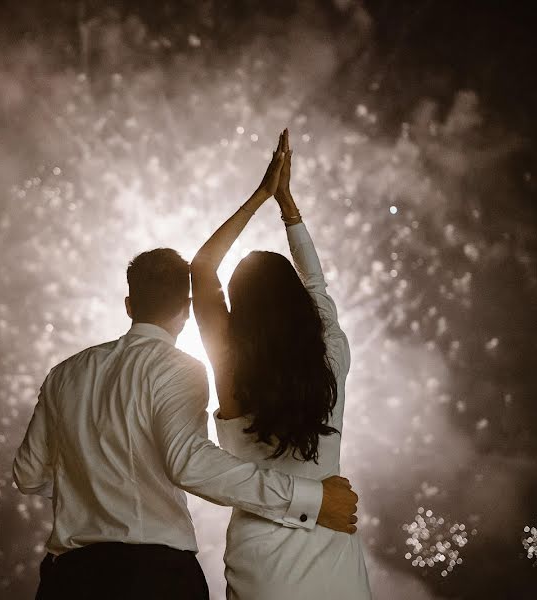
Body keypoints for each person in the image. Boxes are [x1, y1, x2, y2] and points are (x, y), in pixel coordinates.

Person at [13, 214, 360, 598]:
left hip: (71, 577)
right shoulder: (329, 361)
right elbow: (188, 462)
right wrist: (286, 208)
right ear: (185, 305)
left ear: (129, 305)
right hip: (159, 575)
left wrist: (86, 485)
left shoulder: (63, 374)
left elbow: (27, 475)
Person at [190, 129, 372, 599]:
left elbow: (201, 269)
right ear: (296, 304)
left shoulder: (231, 370)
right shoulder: (332, 357)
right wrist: (287, 206)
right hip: (336, 563)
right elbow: (317, 284)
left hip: (262, 567)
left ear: (240, 312)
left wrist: (260, 195)